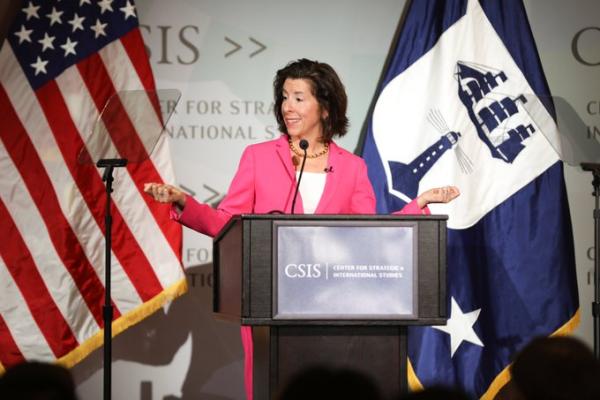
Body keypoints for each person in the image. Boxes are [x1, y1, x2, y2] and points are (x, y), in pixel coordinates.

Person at [144, 58, 460, 399]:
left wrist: (418, 205)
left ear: (325, 107)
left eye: (298, 97)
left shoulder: (352, 168)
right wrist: (183, 203)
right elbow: (227, 222)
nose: (287, 108)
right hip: (268, 302)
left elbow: (369, 236)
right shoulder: (258, 157)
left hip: (331, 306)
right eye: (284, 97)